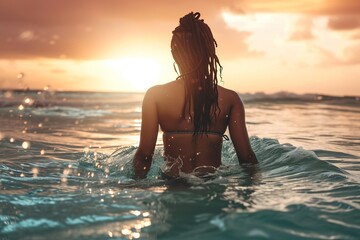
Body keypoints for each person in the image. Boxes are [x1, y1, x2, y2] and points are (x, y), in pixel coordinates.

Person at [133, 12, 258, 179]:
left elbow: (144, 156)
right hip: (212, 186)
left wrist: (135, 184)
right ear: (208, 51)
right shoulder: (229, 99)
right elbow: (247, 159)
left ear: (175, 53)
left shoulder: (156, 96)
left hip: (174, 187)